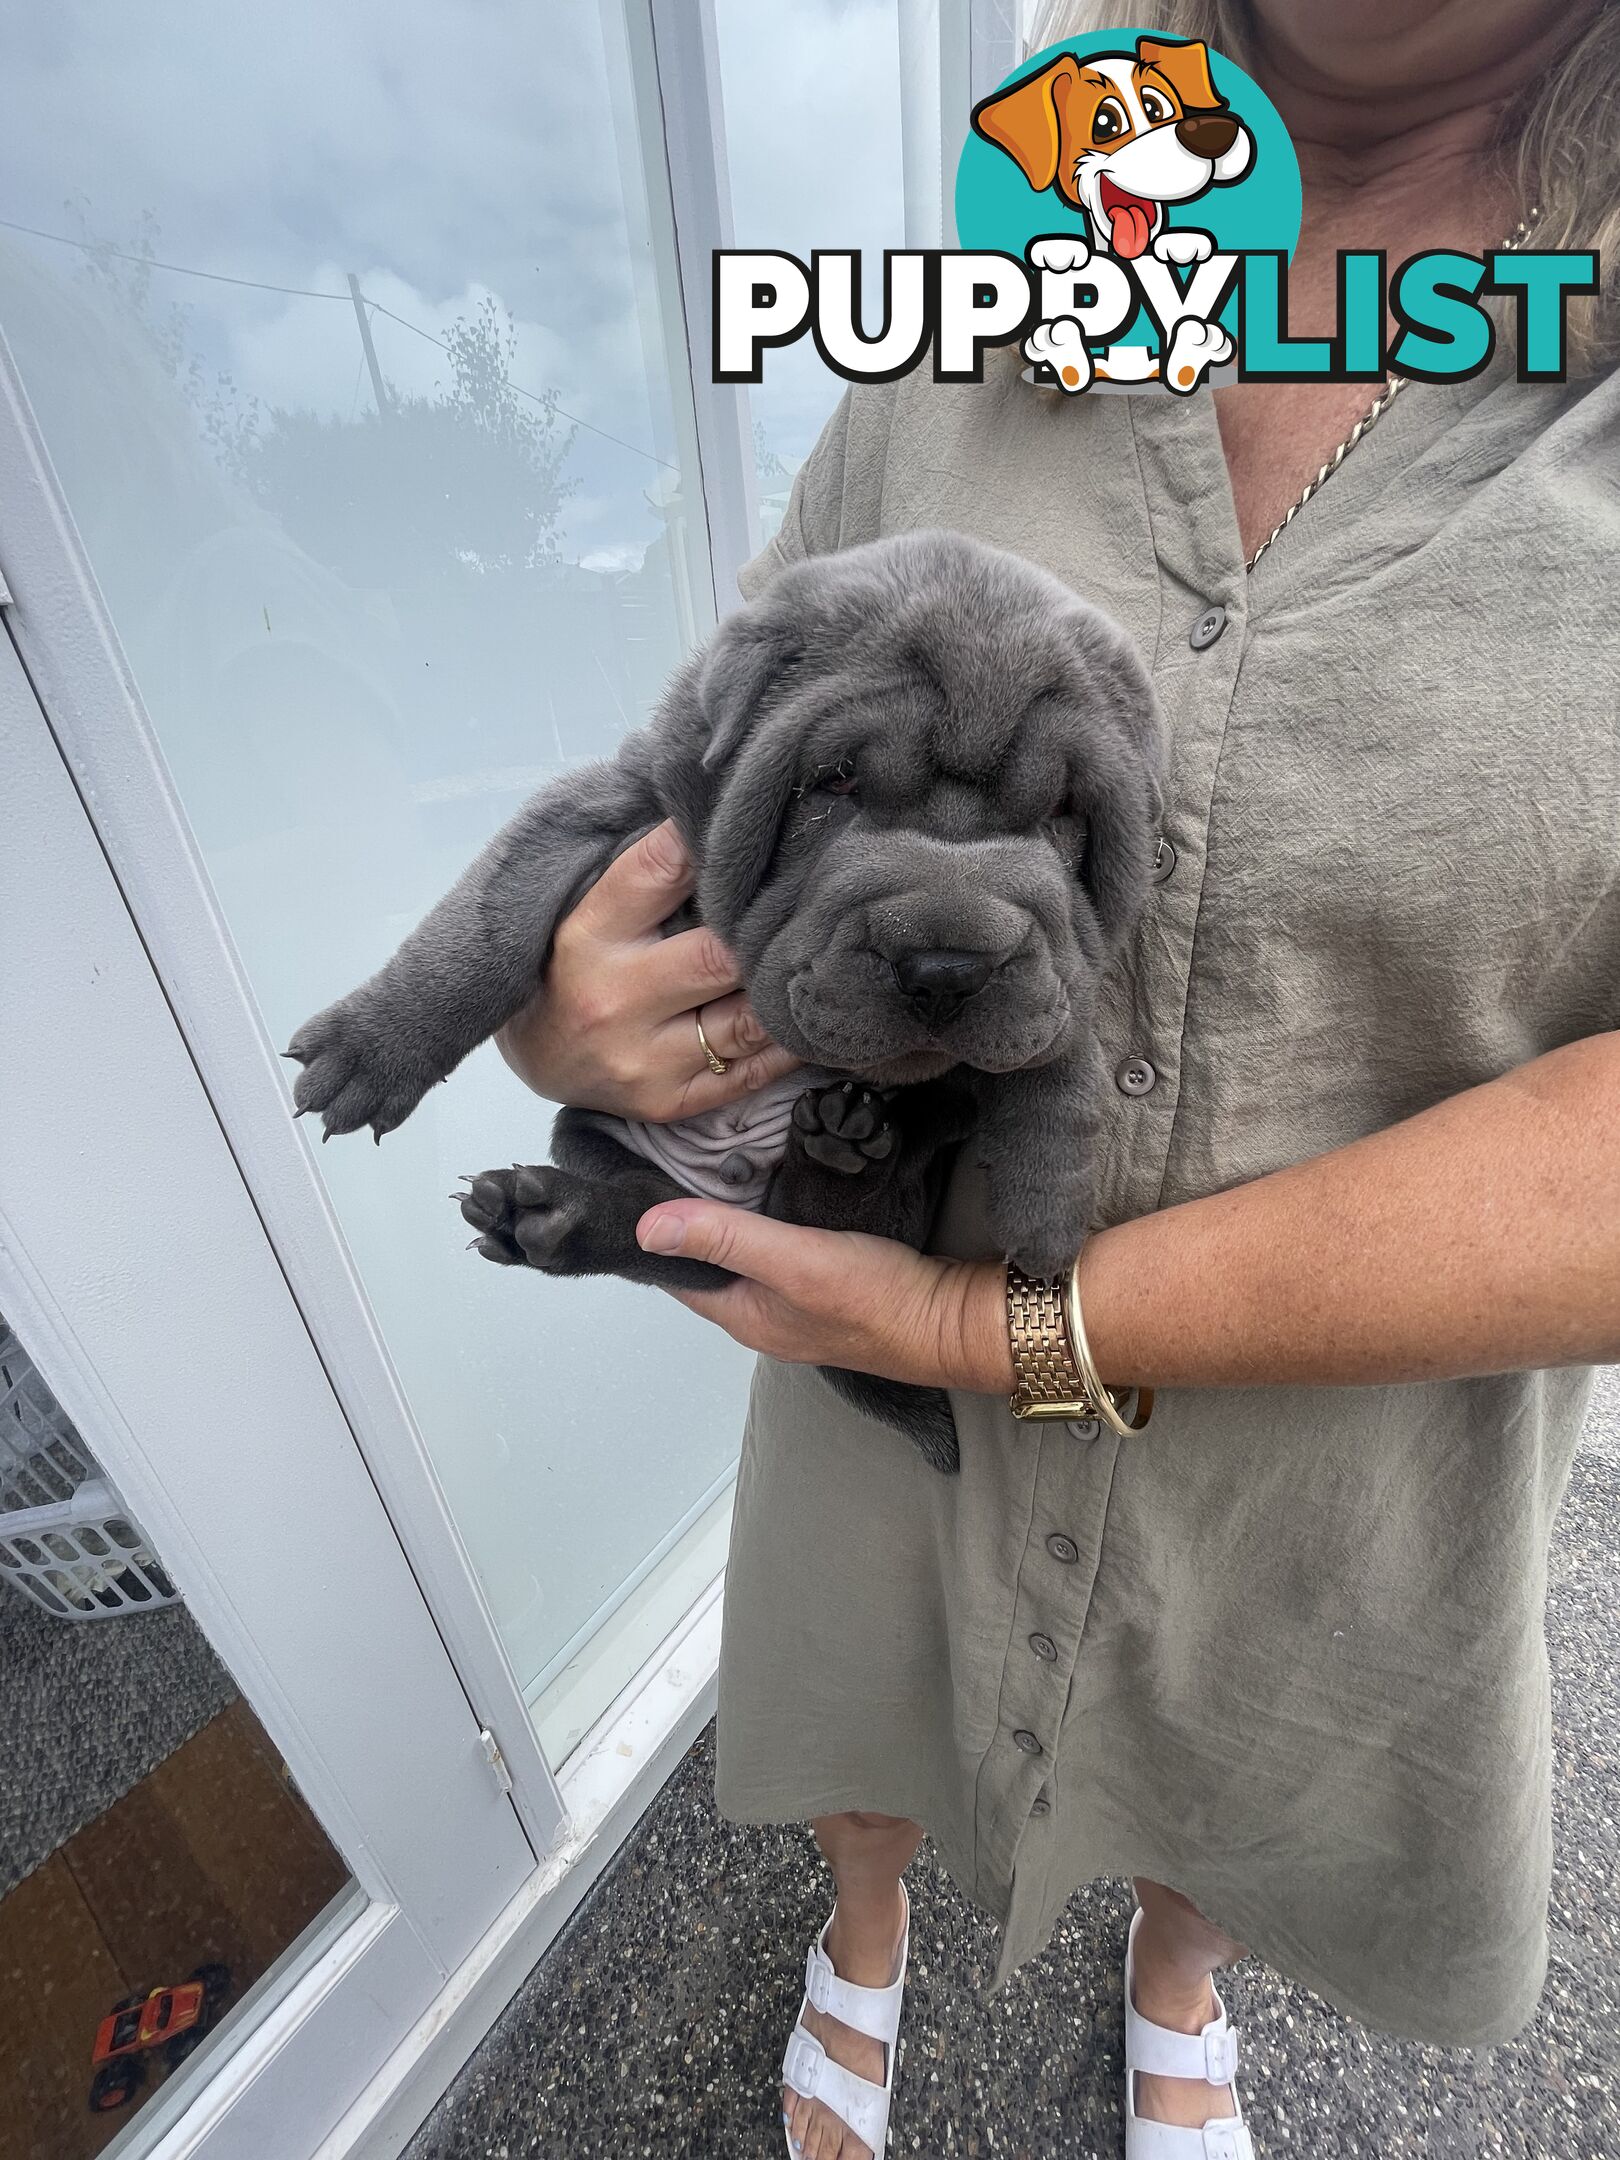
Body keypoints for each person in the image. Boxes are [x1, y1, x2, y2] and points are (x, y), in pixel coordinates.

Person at [498, 2, 1620, 2153]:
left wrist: (991, 1329)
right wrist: (576, 998)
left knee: (1245, 1755)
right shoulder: (1001, 278)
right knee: (864, 1684)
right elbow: (725, 775)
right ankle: (867, 1921)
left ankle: (1177, 1963)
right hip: (864, 1312)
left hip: (1342, 1424)